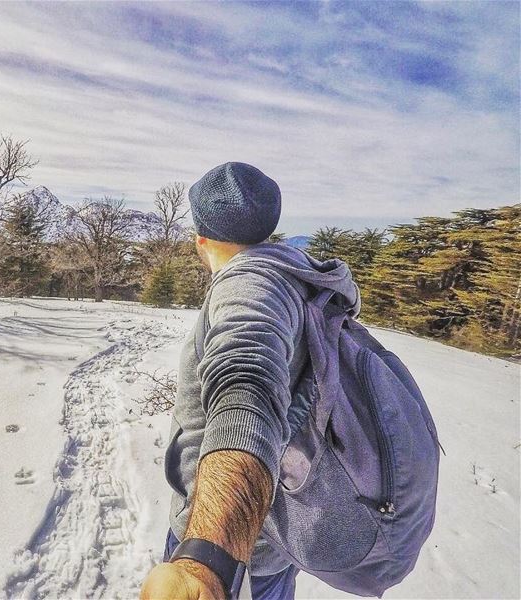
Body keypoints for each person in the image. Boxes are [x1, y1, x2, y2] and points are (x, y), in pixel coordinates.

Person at [139, 162, 361, 600]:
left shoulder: (247, 286)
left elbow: (247, 386)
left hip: (233, 551)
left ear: (200, 238)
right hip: (277, 541)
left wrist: (208, 561)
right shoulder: (300, 279)